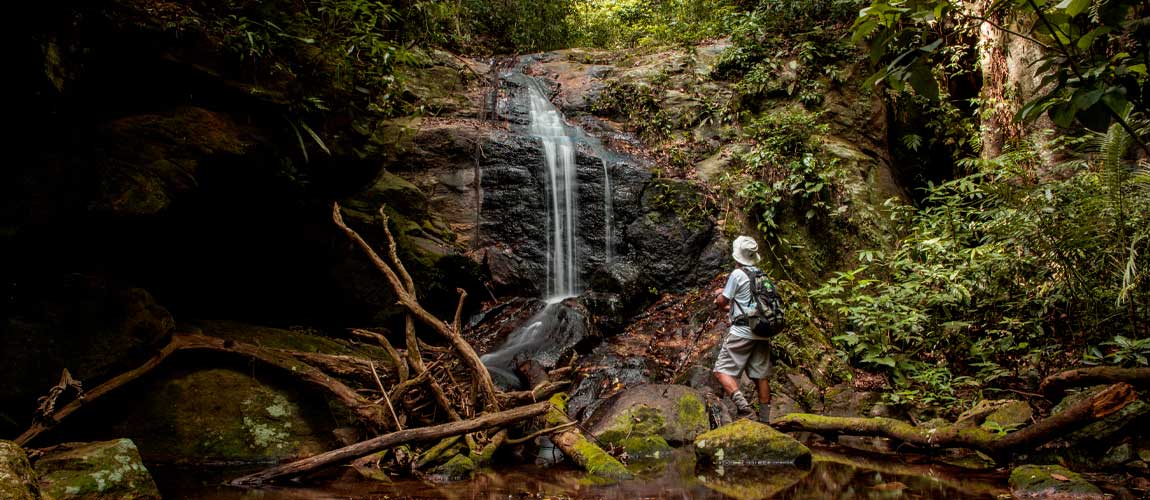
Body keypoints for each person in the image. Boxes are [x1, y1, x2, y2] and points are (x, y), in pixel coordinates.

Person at [713, 235, 773, 423]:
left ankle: (744, 409)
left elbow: (723, 301)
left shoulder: (738, 274)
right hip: (762, 332)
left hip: (742, 332)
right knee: (760, 377)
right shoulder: (761, 275)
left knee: (721, 371)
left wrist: (718, 297)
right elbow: (748, 305)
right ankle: (765, 420)